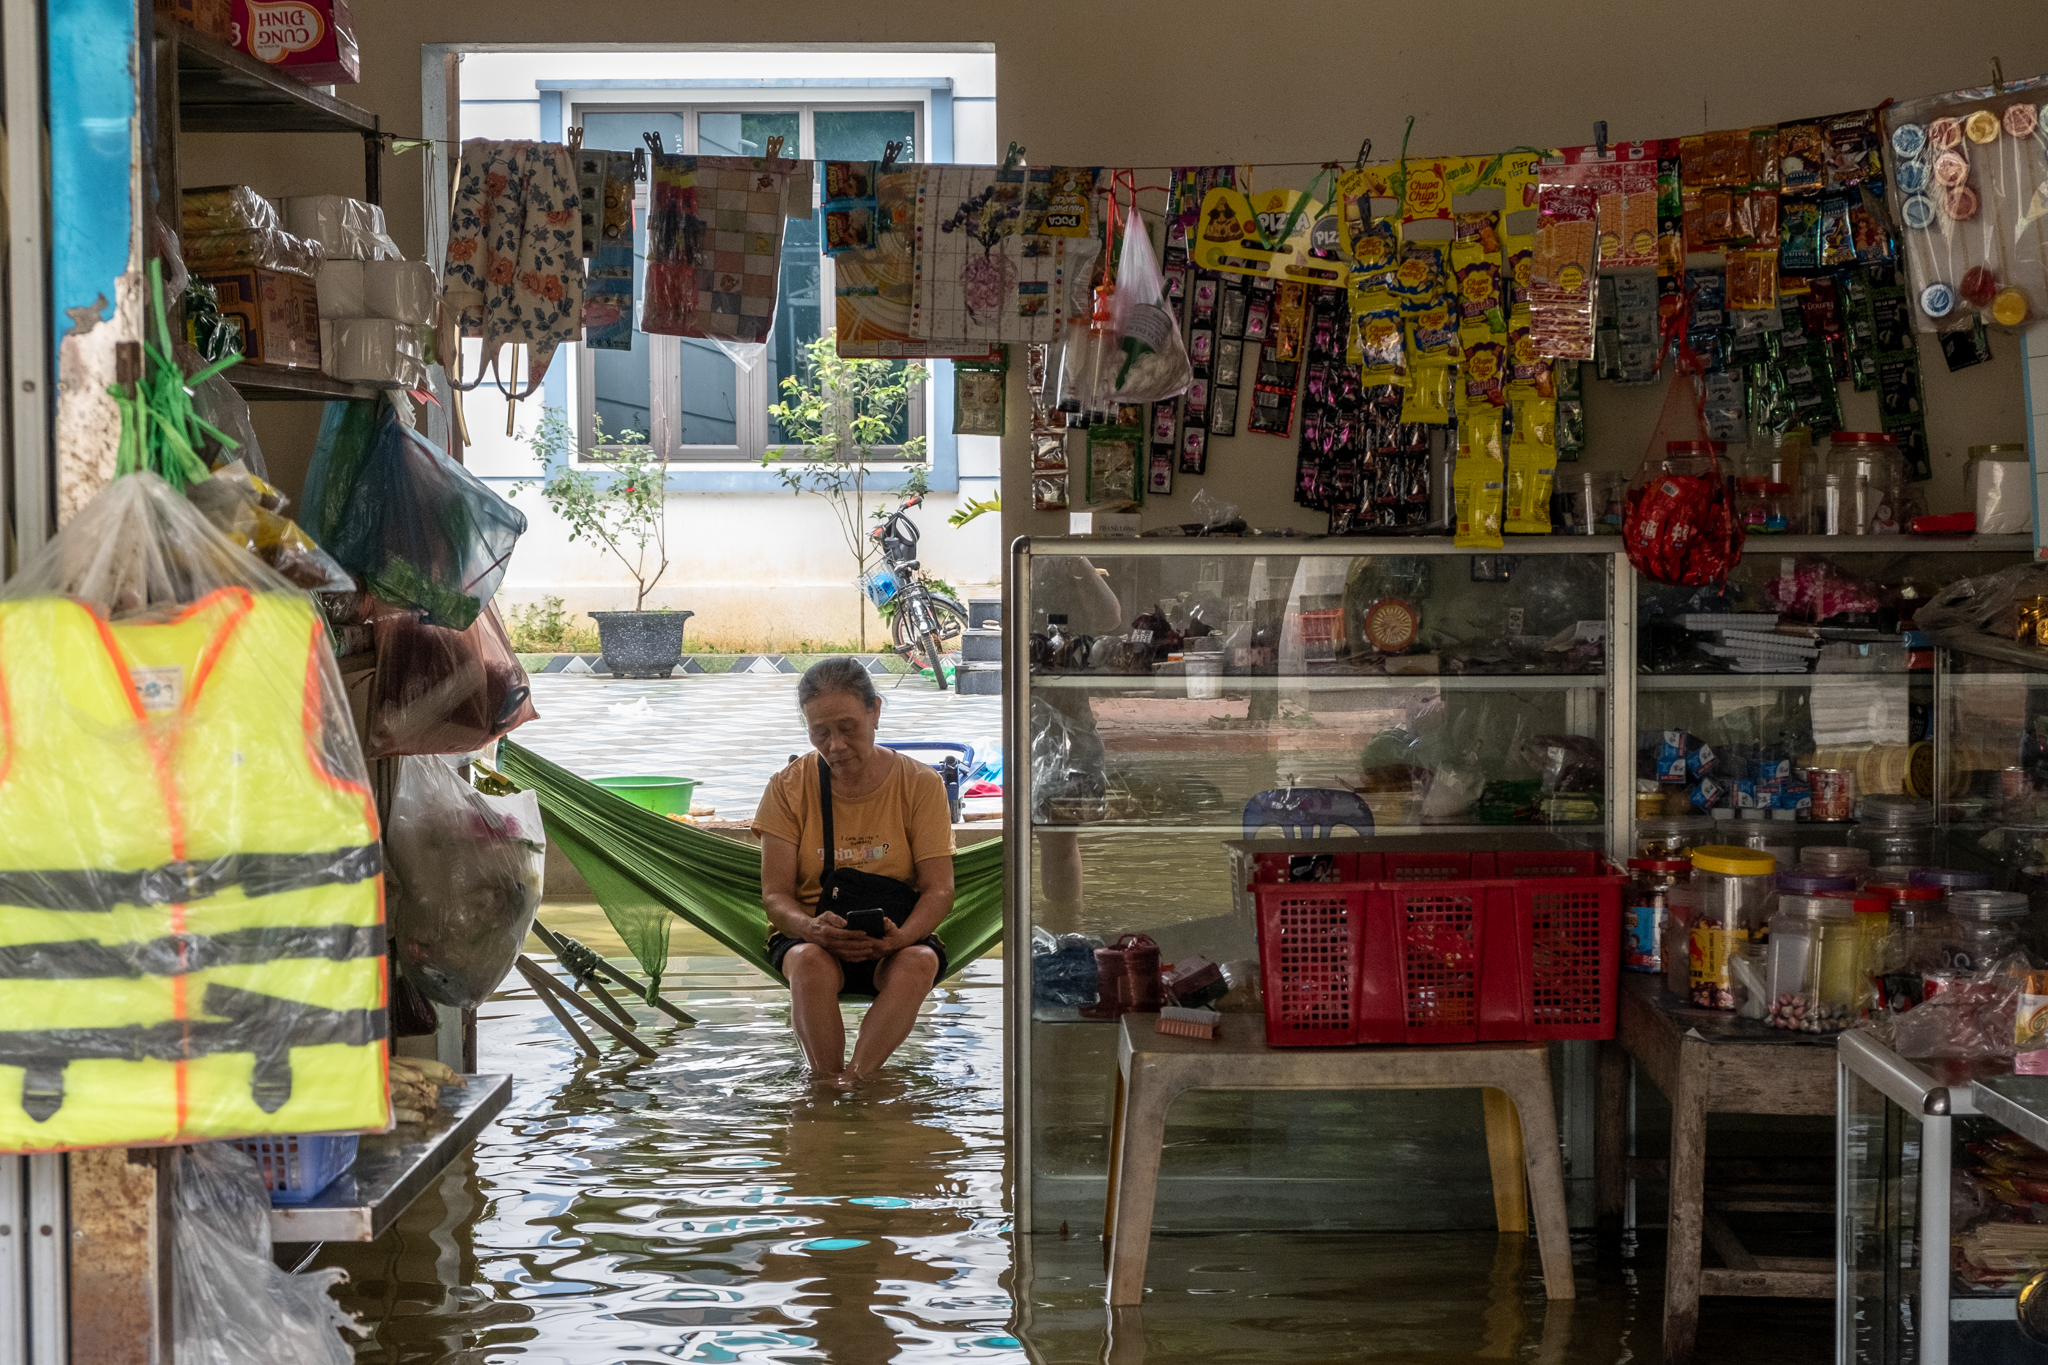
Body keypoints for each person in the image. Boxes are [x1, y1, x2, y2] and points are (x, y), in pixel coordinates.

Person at [753, 658, 956, 1086]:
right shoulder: (788, 787)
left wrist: (902, 937)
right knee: (809, 963)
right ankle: (825, 1085)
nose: (836, 746)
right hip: (813, 937)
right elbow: (775, 896)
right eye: (820, 733)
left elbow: (938, 891)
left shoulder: (920, 785)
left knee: (918, 962)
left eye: (848, 728)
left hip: (896, 937)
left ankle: (854, 1080)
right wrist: (810, 928)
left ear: (875, 711)